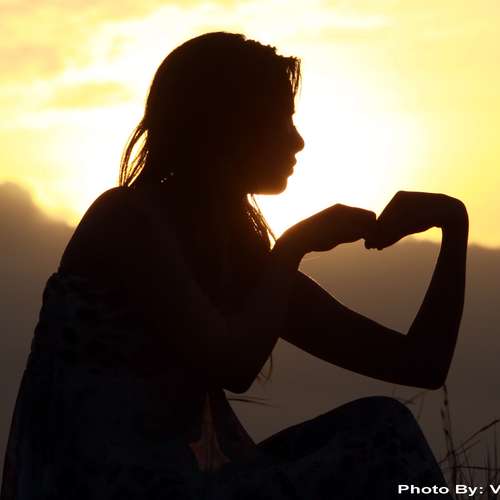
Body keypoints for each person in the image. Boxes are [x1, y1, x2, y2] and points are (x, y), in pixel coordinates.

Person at [0, 31, 469, 499]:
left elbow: (419, 366)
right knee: (382, 435)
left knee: (382, 425)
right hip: (102, 487)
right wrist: (293, 246)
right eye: (281, 120)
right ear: (229, 128)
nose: (298, 141)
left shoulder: (232, 251)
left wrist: (453, 225)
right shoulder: (127, 219)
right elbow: (233, 364)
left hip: (178, 481)